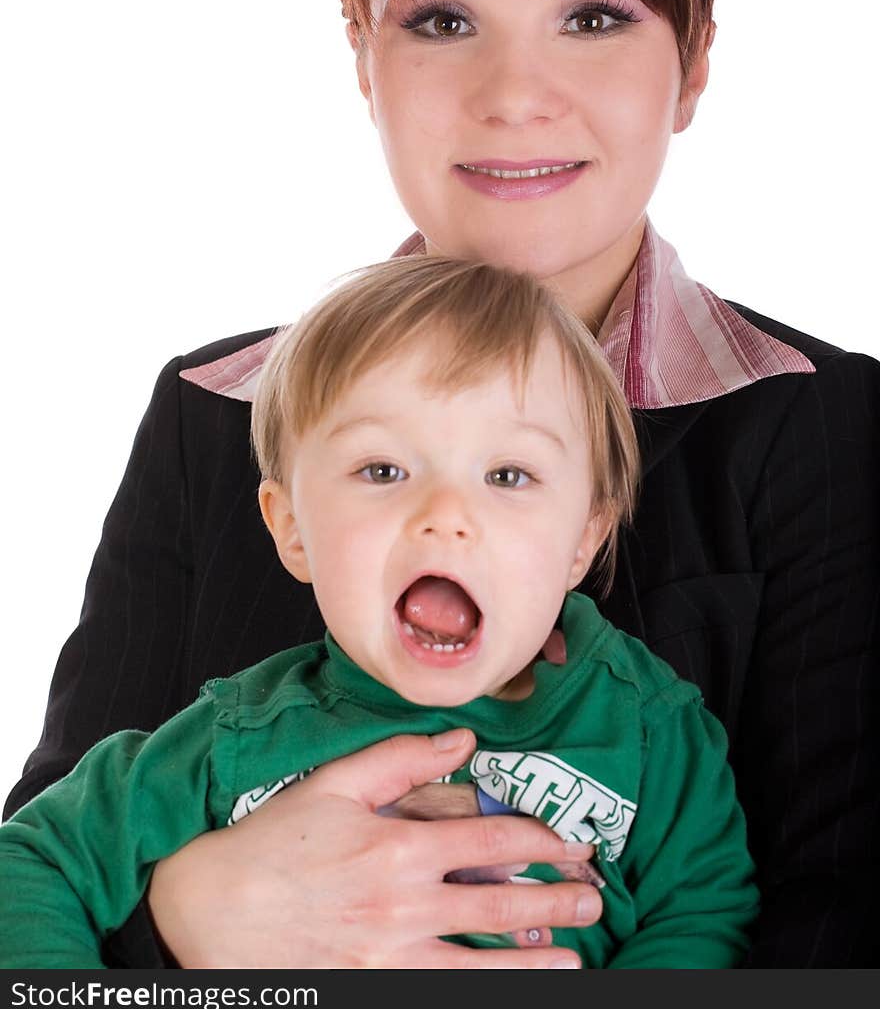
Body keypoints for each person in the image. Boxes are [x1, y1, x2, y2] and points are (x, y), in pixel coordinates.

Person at [3, 0, 877, 970]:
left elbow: (845, 935)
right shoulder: (213, 416)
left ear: (694, 64)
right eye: (442, 19)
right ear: (364, 55)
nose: (515, 92)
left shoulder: (833, 434)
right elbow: (46, 897)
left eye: (591, 15)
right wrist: (188, 926)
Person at [0, 256, 760, 969]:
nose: (446, 514)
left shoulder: (649, 725)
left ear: (582, 540)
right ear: (292, 527)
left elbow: (700, 914)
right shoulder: (230, 737)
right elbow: (31, 863)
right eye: (383, 469)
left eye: (508, 473)